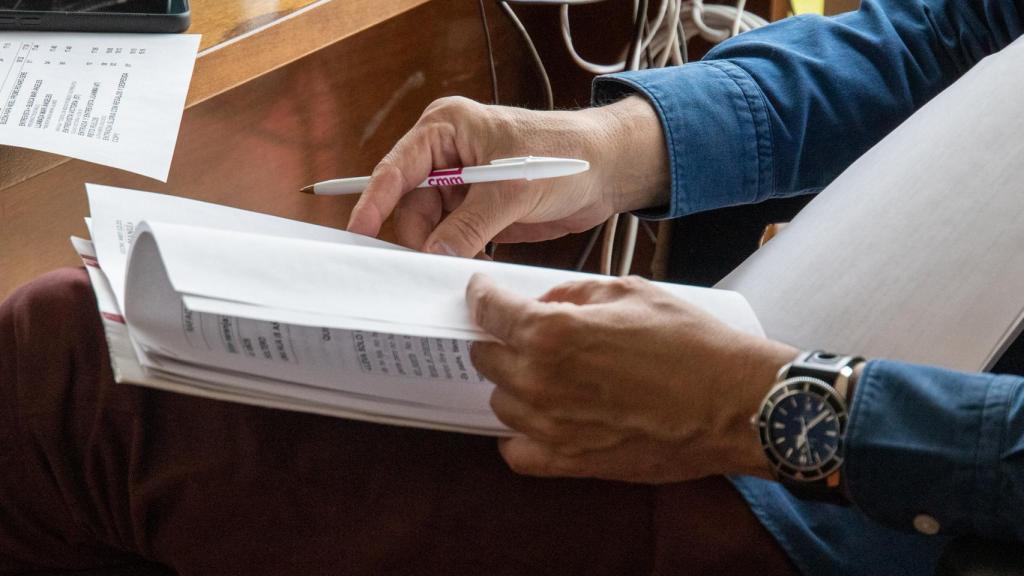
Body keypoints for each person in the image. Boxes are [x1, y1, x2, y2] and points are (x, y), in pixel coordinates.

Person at [1, 0, 1021, 574]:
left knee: (74, 372)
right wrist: (606, 146)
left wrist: (763, 407)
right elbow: (953, 31)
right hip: (803, 359)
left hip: (897, 516)